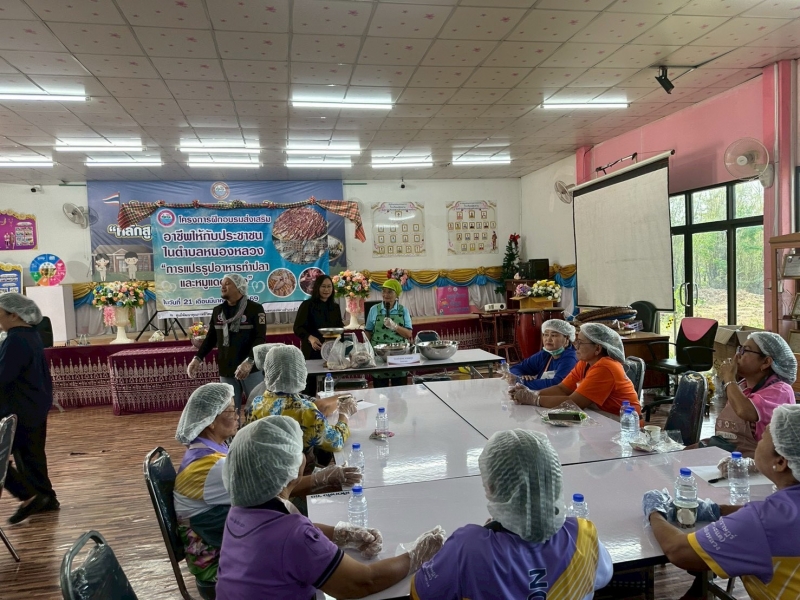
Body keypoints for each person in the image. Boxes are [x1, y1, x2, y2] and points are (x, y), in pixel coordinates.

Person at [215, 416, 446, 599]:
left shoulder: (239, 512)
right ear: (290, 469)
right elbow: (363, 582)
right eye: (298, 452)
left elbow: (286, 537)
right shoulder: (294, 536)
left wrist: (341, 534)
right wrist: (415, 556)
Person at [174, 383, 363, 587]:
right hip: (219, 561)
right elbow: (275, 487)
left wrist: (325, 479)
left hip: (230, 539)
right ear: (210, 421)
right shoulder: (212, 468)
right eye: (230, 411)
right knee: (303, 528)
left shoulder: (208, 448)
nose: (237, 415)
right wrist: (325, 478)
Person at [413, 429, 613, 599]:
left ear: (492, 487)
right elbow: (603, 577)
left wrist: (425, 556)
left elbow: (420, 593)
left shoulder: (467, 549)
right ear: (554, 481)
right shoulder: (583, 536)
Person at [643, 404, 800, 600]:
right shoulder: (779, 511)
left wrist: (655, 511)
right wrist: (719, 509)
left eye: (763, 438)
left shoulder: (761, 522)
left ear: (781, 462)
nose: (758, 442)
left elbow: (677, 550)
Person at [0, 293, 59, 524]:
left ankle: (29, 496)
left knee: (9, 456)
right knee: (31, 455)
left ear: (14, 315)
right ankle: (46, 497)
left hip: (19, 408)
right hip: (33, 405)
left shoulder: (16, 339)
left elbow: (4, 376)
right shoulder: (31, 334)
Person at [248, 344, 357, 464]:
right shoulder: (305, 411)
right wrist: (344, 415)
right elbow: (336, 441)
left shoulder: (256, 404)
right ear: (299, 371)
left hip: (262, 466)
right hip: (293, 470)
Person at [696, 332, 796, 459]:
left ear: (766, 362)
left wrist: (729, 378)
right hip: (729, 454)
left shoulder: (781, 390)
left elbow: (745, 410)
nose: (737, 355)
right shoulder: (742, 386)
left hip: (758, 463)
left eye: (745, 351)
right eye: (740, 349)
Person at [509, 322, 641, 417]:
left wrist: (534, 399)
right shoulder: (585, 362)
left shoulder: (605, 367)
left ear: (597, 348)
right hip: (600, 415)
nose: (576, 346)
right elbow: (562, 389)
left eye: (580, 343)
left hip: (622, 421)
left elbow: (574, 403)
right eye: (576, 342)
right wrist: (533, 393)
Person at [188, 274, 267, 411]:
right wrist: (197, 358)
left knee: (258, 409)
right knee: (230, 412)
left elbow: (260, 339)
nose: (222, 287)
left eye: (227, 283)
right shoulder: (218, 311)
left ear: (239, 287)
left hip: (251, 369)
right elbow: (211, 338)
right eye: (222, 284)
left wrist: (249, 361)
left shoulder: (255, 309)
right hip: (227, 369)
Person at [293, 274, 344, 394]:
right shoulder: (307, 305)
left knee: (328, 386)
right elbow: (297, 328)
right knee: (309, 387)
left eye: (329, 286)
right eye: (323, 286)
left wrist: (339, 347)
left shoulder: (335, 307)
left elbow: (340, 328)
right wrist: (310, 338)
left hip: (330, 352)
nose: (326, 290)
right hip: (312, 351)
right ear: (317, 287)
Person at [504, 319, 578, 390]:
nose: (548, 339)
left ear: (567, 339)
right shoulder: (546, 354)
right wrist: (521, 377)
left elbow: (557, 384)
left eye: (554, 335)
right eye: (545, 335)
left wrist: (522, 382)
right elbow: (516, 368)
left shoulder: (570, 358)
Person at [365, 279, 413, 388]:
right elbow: (368, 331)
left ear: (397, 294)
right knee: (380, 391)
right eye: (384, 291)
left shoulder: (403, 311)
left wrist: (395, 326)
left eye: (390, 292)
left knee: (400, 391)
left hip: (399, 356)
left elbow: (408, 334)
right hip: (379, 356)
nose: (386, 295)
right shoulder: (374, 310)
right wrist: (368, 349)